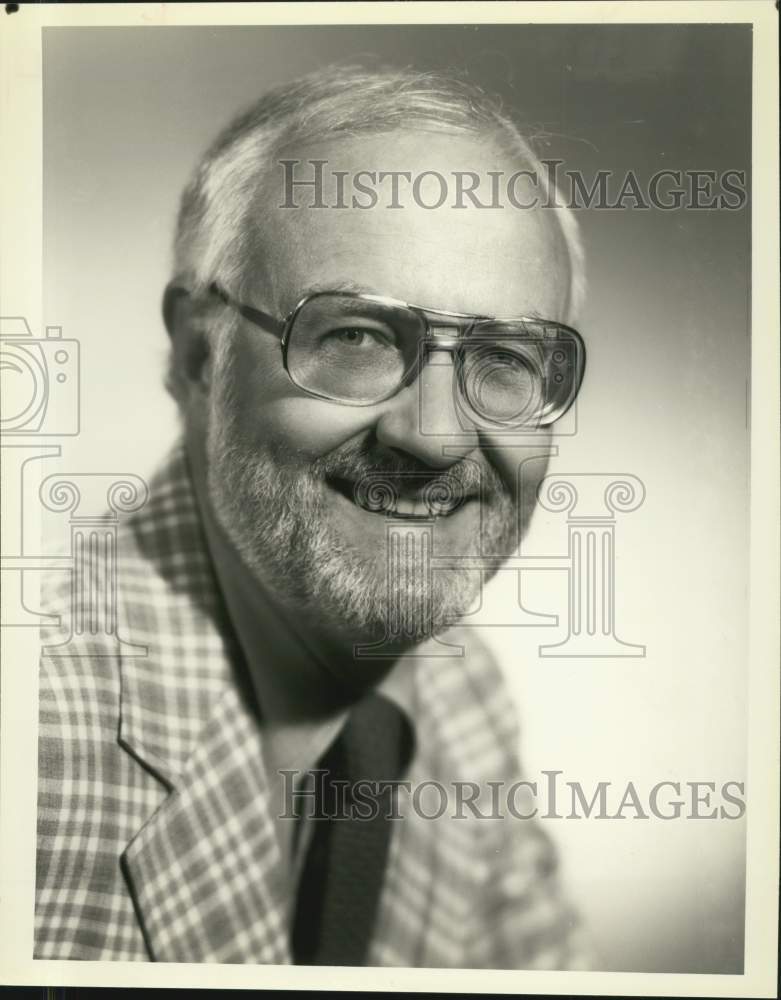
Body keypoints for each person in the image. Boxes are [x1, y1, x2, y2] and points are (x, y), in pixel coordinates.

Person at [35, 65, 591, 967]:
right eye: (358, 338)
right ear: (197, 356)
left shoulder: (459, 696)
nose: (438, 437)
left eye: (503, 356)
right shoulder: (40, 731)